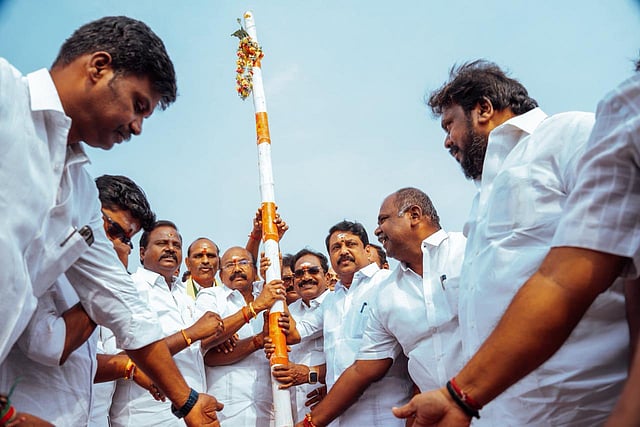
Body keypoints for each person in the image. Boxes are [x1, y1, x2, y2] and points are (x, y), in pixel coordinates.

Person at [0, 16, 222, 425]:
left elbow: (119, 302)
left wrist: (188, 402)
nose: (137, 127)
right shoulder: (5, 97)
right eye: (138, 105)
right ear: (98, 67)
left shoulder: (80, 192)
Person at [396, 59, 640, 427]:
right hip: (497, 413)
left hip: (587, 414)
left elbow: (612, 260)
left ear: (483, 109)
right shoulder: (482, 198)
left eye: (449, 124)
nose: (446, 140)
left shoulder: (571, 134)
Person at [295, 188, 465, 426]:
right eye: (335, 248)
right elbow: (364, 369)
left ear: (414, 215)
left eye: (383, 220)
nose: (377, 230)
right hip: (435, 417)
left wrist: (468, 395)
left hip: (497, 401)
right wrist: (310, 422)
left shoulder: (465, 251)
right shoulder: (389, 292)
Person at [293, 221, 413, 426]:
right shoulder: (331, 300)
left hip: (387, 415)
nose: (343, 251)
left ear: (367, 250)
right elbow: (295, 333)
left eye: (350, 244)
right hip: (340, 419)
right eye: (336, 247)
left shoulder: (387, 282)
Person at [110, 221, 225, 426]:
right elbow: (119, 358)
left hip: (193, 411)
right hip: (147, 414)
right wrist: (191, 333)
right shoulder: (131, 288)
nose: (170, 249)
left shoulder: (185, 295)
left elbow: (199, 345)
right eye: (162, 243)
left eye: (176, 245)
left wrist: (221, 334)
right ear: (142, 253)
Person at [195, 246, 299, 426]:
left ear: (255, 269)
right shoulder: (211, 297)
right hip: (227, 409)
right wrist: (258, 337)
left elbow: (293, 336)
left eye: (243, 263)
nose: (237, 269)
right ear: (220, 275)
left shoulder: (269, 291)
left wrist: (272, 279)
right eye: (229, 265)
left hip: (272, 405)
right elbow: (207, 348)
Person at [270, 249, 330, 423]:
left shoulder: (336, 303)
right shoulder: (291, 309)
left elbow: (294, 334)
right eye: (299, 274)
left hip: (329, 405)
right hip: (292, 408)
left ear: (327, 277)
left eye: (313, 271)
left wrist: (275, 281)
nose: (306, 277)